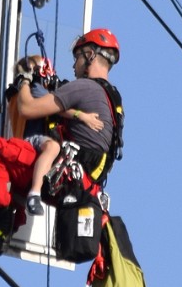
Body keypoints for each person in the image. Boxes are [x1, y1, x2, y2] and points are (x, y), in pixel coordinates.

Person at [12, 29, 121, 215]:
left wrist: (23, 80)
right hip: (89, 183)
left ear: (90, 54)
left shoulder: (82, 87)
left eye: (77, 57)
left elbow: (26, 109)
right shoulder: (112, 97)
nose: (73, 66)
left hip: (66, 176)